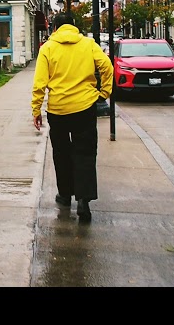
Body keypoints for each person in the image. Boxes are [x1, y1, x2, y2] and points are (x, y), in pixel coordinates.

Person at [31, 12, 114, 222]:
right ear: (74, 26)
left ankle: (65, 195)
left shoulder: (47, 48)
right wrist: (104, 93)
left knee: (61, 153)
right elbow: (107, 67)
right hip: (85, 108)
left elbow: (40, 83)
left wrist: (36, 109)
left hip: (58, 110)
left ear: (56, 28)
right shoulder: (88, 44)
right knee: (85, 153)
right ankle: (84, 200)